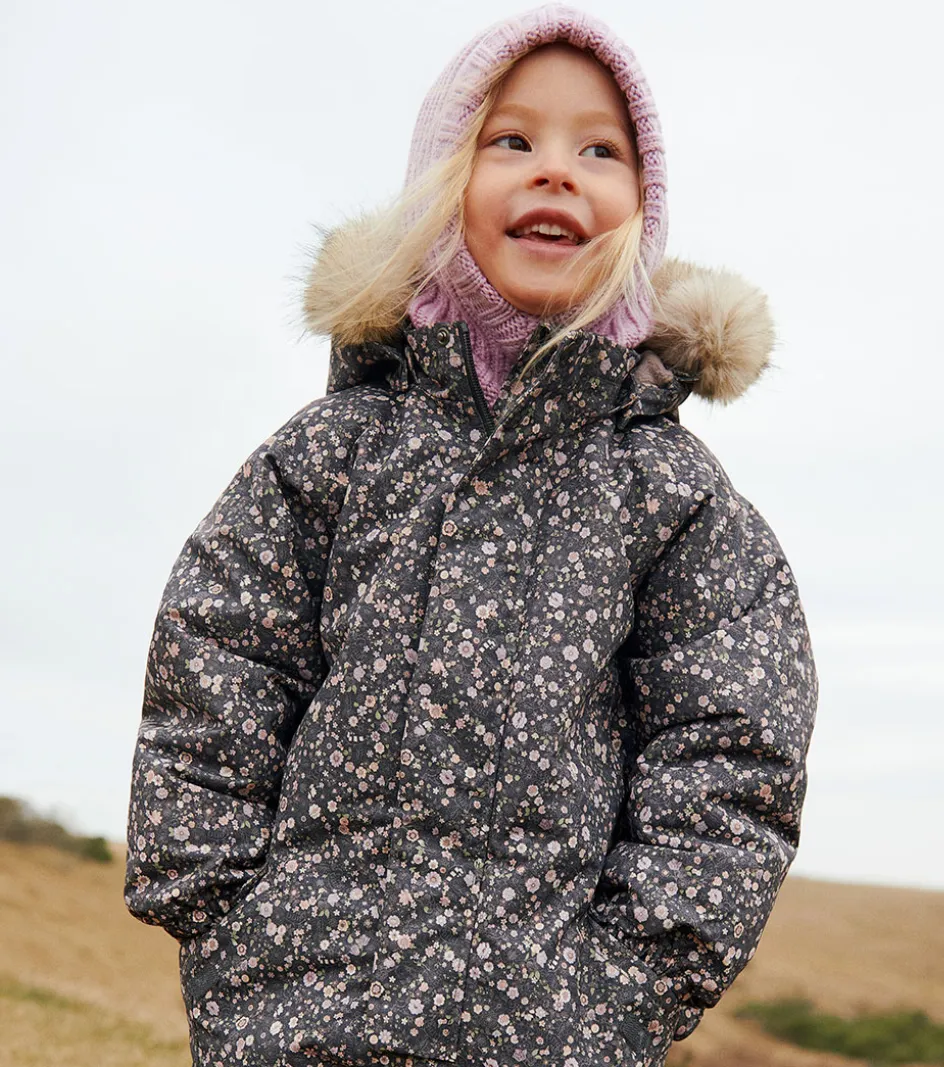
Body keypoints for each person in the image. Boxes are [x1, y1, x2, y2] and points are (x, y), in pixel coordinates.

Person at [123, 5, 818, 1066]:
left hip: (545, 1029)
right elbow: (218, 662)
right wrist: (225, 915)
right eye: (511, 139)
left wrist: (623, 985)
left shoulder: (673, 498)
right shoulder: (332, 452)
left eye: (601, 150)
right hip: (293, 1014)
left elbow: (730, 753)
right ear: (440, 183)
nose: (557, 171)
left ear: (643, 213)